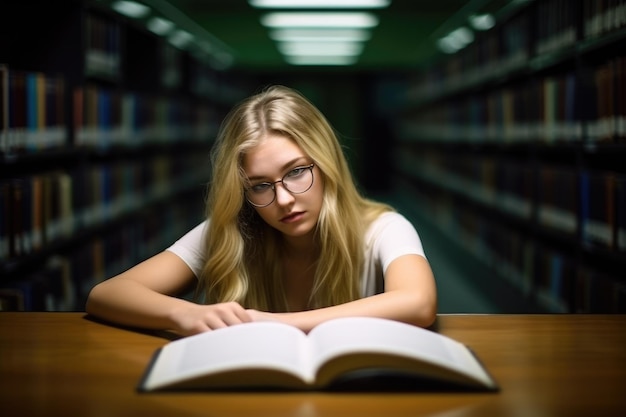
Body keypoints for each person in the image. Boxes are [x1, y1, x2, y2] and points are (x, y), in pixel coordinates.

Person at [86, 85, 437, 336]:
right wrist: (186, 314)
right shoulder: (234, 229)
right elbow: (106, 294)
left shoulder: (384, 227)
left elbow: (418, 302)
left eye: (297, 172)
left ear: (326, 162)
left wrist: (272, 324)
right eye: (260, 185)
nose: (283, 199)